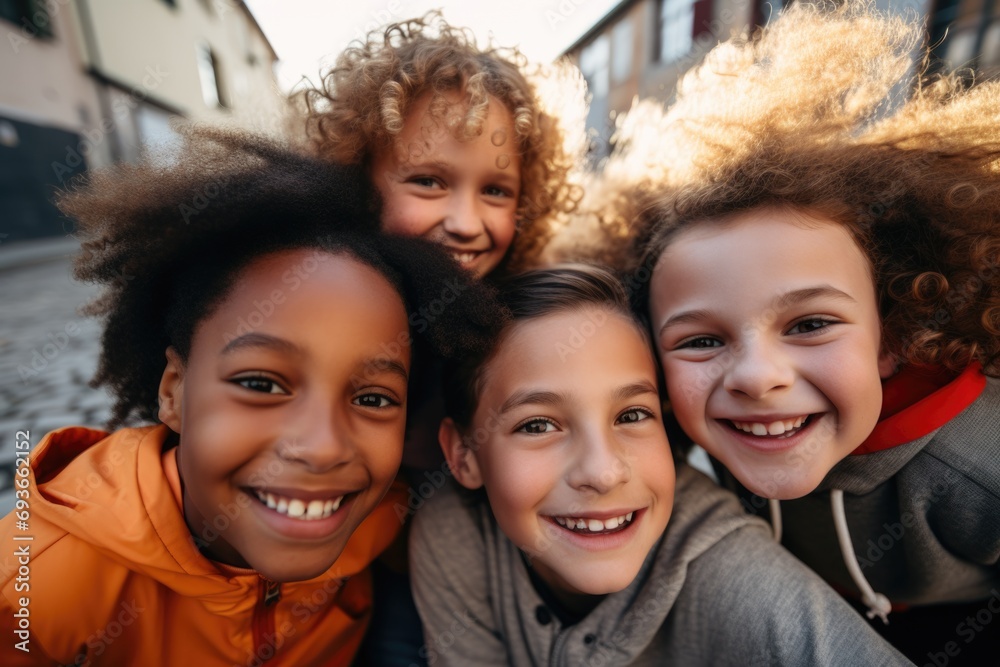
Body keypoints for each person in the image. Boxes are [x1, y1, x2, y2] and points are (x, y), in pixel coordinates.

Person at [0, 129, 499, 666]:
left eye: (374, 399)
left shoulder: (384, 524)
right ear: (173, 392)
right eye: (261, 385)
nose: (323, 447)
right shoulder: (34, 591)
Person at [635, 2, 999, 662]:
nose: (755, 376)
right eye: (701, 340)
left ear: (894, 335)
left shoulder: (979, 465)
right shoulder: (712, 431)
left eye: (808, 324)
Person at [410, 264, 912, 665]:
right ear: (464, 455)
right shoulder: (453, 533)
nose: (603, 473)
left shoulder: (733, 577)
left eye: (632, 415)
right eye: (538, 425)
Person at [295, 11, 580, 278]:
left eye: (495, 191)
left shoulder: (528, 320)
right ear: (356, 179)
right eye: (428, 182)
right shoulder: (319, 293)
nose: (465, 225)